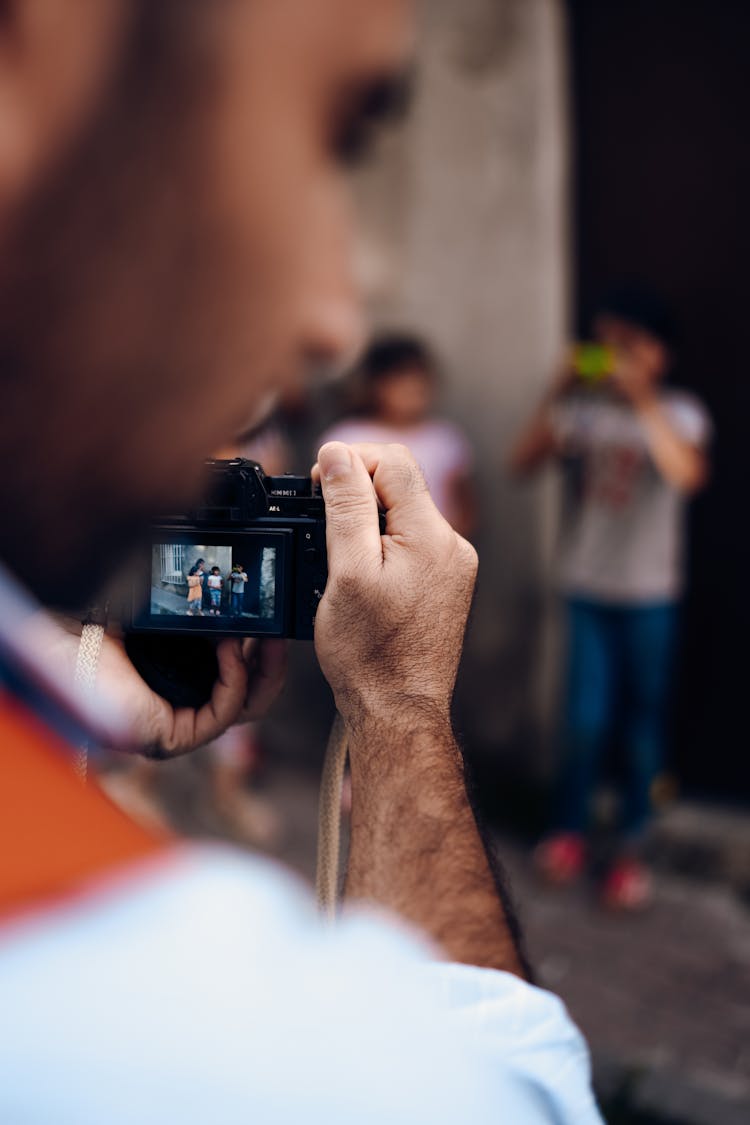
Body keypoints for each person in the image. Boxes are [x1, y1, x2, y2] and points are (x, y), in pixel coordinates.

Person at [0, 2, 601, 1122]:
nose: (328, 317)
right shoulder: (165, 1022)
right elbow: (510, 1099)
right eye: (328, 134)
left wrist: (55, 702)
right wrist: (403, 715)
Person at [509, 286, 711, 909]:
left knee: (641, 723)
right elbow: (522, 463)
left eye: (629, 346)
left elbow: (687, 475)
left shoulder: (680, 414)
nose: (615, 357)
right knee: (585, 719)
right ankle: (569, 831)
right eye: (606, 345)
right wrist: (558, 389)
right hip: (588, 586)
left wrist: (643, 401)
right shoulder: (585, 412)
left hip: (650, 590)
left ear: (661, 354)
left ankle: (629, 849)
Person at [319, 334, 477, 537]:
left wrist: (447, 539)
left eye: (419, 379)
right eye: (401, 380)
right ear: (375, 385)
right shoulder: (347, 437)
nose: (412, 388)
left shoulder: (444, 439)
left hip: (437, 545)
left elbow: (464, 505)